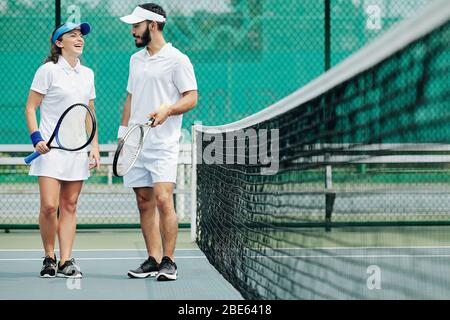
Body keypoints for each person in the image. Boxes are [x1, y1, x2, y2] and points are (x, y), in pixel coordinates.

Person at [119, 3, 198, 281]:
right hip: (136, 143)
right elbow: (130, 98)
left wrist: (168, 110)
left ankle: (169, 261)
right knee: (144, 201)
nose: (132, 31)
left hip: (164, 143)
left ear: (152, 25)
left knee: (164, 199)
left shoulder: (178, 59)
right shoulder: (135, 60)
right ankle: (153, 259)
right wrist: (123, 133)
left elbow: (191, 96)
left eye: (136, 26)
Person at [25, 22, 100, 278]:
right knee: (49, 205)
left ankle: (66, 259)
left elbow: (89, 114)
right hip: (49, 150)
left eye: (81, 36)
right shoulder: (48, 71)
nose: (80, 39)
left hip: (77, 150)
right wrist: (37, 138)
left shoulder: (88, 74)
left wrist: (94, 147)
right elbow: (30, 107)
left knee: (69, 204)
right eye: (73, 35)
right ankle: (49, 256)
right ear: (59, 43)